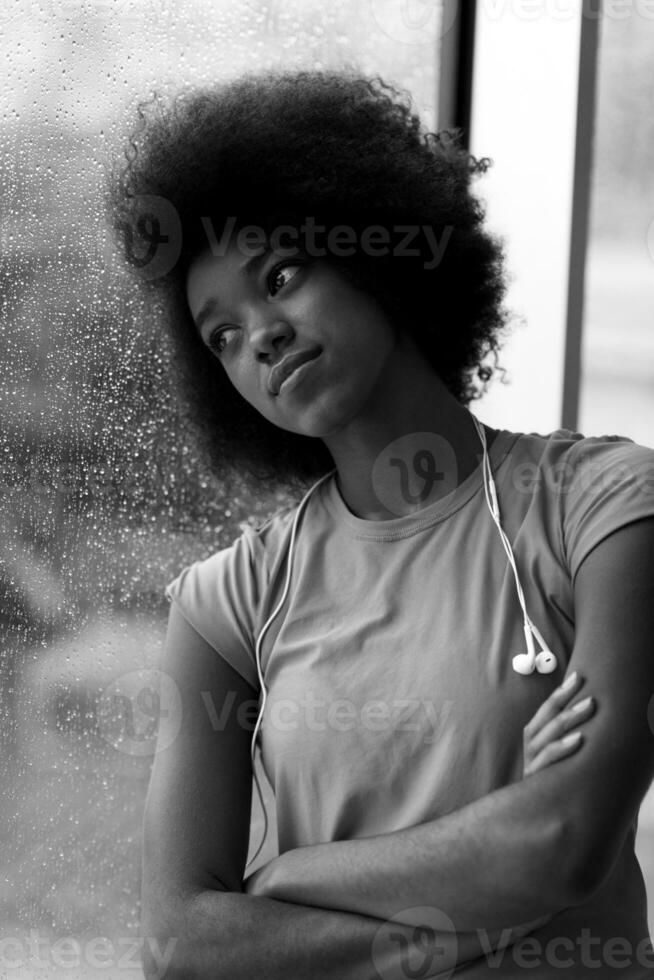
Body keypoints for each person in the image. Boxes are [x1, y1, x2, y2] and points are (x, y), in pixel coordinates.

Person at [110, 68, 654, 979]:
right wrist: (447, 920)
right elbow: (182, 942)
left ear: (375, 251)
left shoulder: (601, 505)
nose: (262, 337)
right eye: (222, 336)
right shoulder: (227, 604)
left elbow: (562, 840)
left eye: (280, 276)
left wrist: (288, 877)